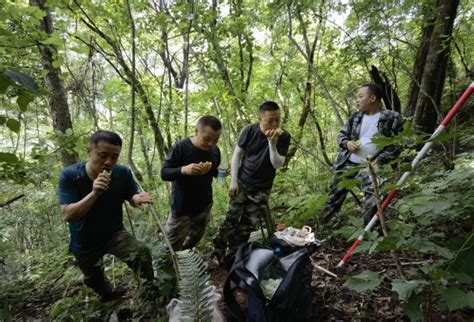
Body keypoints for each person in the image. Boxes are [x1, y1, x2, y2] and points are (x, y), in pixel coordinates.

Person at [58, 130, 155, 302]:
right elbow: (68, 215)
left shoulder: (122, 172)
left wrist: (136, 198)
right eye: (103, 155)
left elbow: (131, 195)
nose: (109, 162)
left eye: (114, 157)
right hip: (84, 242)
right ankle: (109, 296)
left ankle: (150, 294)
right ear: (89, 151)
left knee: (141, 254)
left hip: (114, 234)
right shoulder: (71, 176)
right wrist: (94, 193)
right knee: (95, 281)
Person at [212, 101, 291, 266]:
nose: (275, 124)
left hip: (262, 188)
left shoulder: (284, 136)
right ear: (260, 119)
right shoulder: (249, 130)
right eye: (270, 120)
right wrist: (233, 182)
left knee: (247, 226)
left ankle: (232, 257)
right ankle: (217, 253)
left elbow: (277, 164)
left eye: (278, 119)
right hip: (242, 182)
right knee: (230, 220)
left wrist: (272, 143)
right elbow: (237, 155)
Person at [320, 83, 404, 225]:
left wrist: (381, 161)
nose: (357, 100)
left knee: (372, 200)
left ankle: (368, 231)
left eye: (360, 96)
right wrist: (347, 143)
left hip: (373, 166)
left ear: (372, 98)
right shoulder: (356, 117)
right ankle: (326, 227)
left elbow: (398, 144)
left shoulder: (392, 117)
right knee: (334, 196)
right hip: (349, 163)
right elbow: (341, 135)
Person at [161, 115, 222, 251]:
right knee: (169, 247)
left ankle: (186, 258)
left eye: (215, 140)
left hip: (204, 205)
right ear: (196, 132)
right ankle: (169, 267)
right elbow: (164, 173)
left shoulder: (215, 151)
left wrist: (223, 172)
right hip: (182, 208)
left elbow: (214, 172)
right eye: (207, 139)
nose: (211, 144)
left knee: (195, 238)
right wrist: (184, 169)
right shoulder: (181, 148)